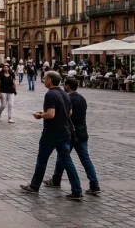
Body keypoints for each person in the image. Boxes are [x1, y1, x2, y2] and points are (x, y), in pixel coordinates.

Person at [20, 71, 84, 200]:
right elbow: (69, 113)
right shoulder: (65, 94)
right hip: (65, 132)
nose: (44, 80)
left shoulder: (50, 94)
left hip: (51, 133)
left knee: (42, 160)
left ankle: (34, 186)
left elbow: (51, 114)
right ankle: (77, 190)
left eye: (45, 78)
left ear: (49, 80)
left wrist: (40, 115)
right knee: (67, 161)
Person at [43, 77, 101, 195]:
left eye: (65, 84)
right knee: (85, 160)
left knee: (63, 157)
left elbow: (66, 115)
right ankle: (94, 185)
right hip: (82, 133)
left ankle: (56, 180)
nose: (64, 86)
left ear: (68, 86)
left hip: (71, 133)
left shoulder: (67, 98)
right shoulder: (82, 99)